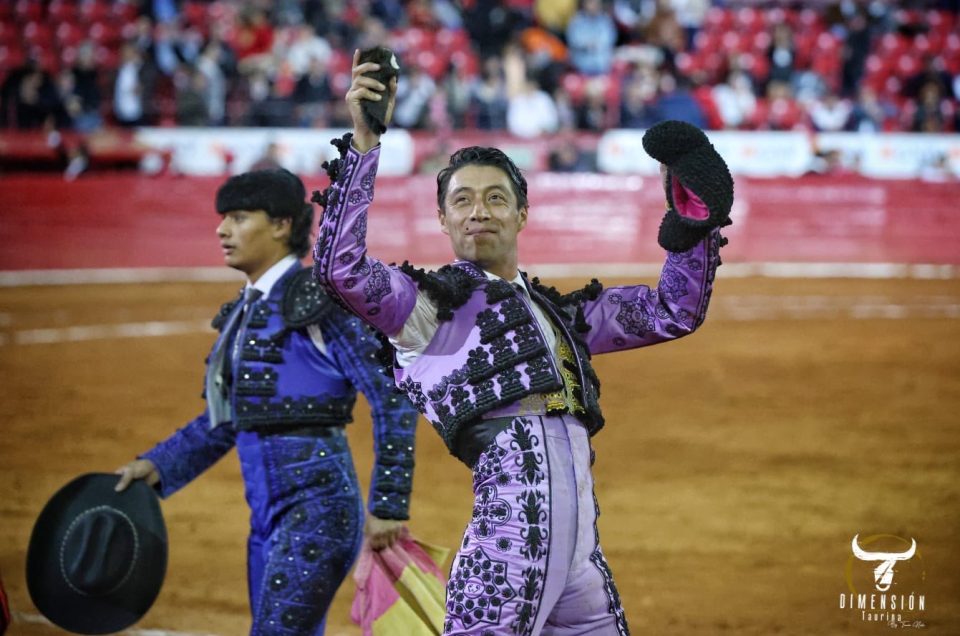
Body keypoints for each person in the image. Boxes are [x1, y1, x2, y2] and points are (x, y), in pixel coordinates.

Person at [312, 50, 732, 634]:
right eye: (461, 201)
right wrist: (364, 141)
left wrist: (692, 223)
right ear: (442, 220)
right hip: (507, 544)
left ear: (522, 214)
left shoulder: (561, 316)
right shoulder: (425, 310)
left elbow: (671, 311)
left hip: (582, 550)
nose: (478, 212)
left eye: (495, 198)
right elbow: (341, 271)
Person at [114, 167, 419, 635]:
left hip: (319, 512)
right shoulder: (244, 309)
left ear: (281, 225)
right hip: (266, 517)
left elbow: (392, 394)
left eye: (238, 217)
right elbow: (228, 419)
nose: (222, 229)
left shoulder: (318, 300)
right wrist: (155, 465)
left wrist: (389, 503)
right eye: (223, 218)